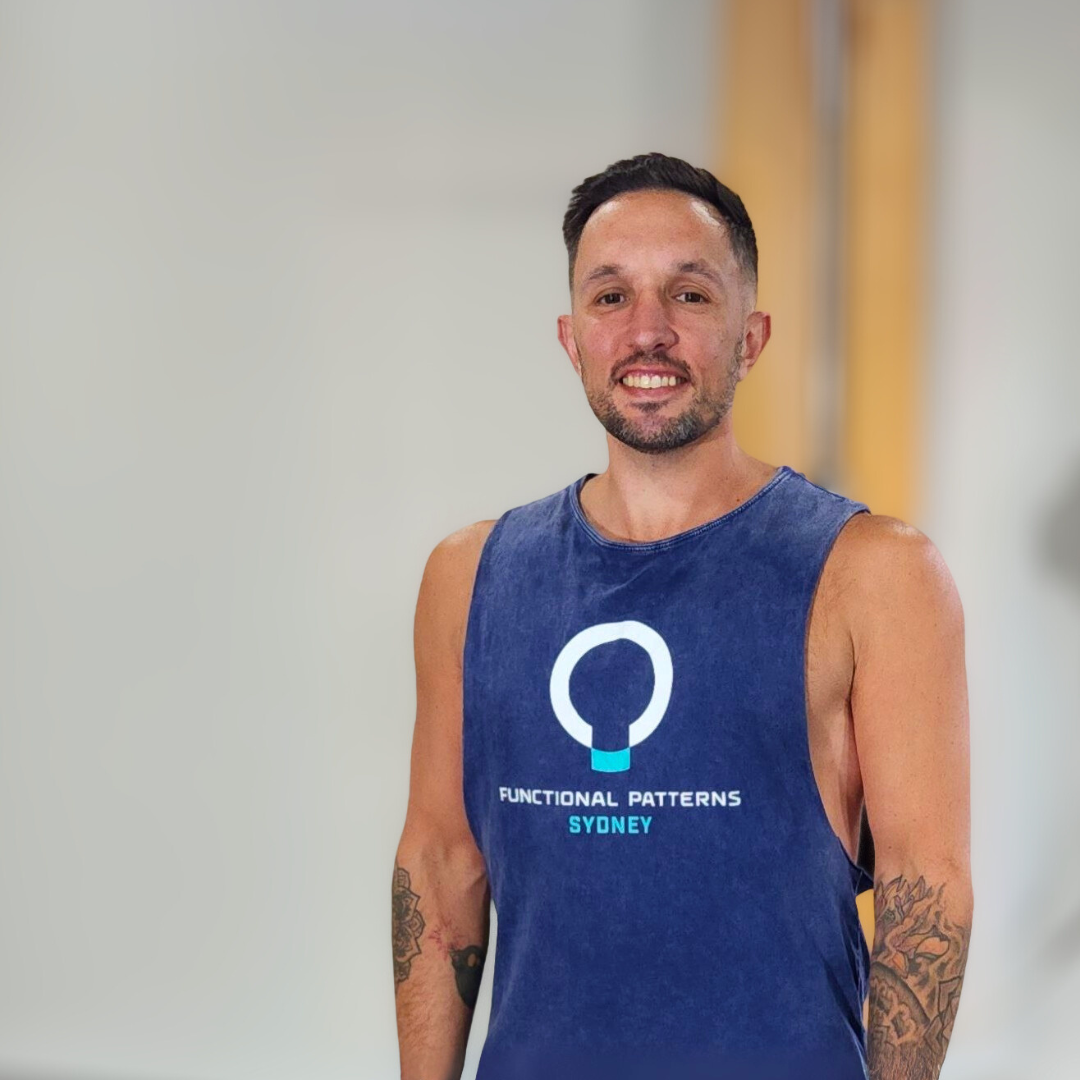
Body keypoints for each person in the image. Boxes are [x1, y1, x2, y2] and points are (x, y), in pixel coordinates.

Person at [391, 152, 972, 1080]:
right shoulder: (470, 577)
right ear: (570, 337)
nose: (647, 332)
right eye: (611, 296)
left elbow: (923, 886)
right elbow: (440, 859)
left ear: (752, 336)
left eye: (691, 297)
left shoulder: (875, 573)